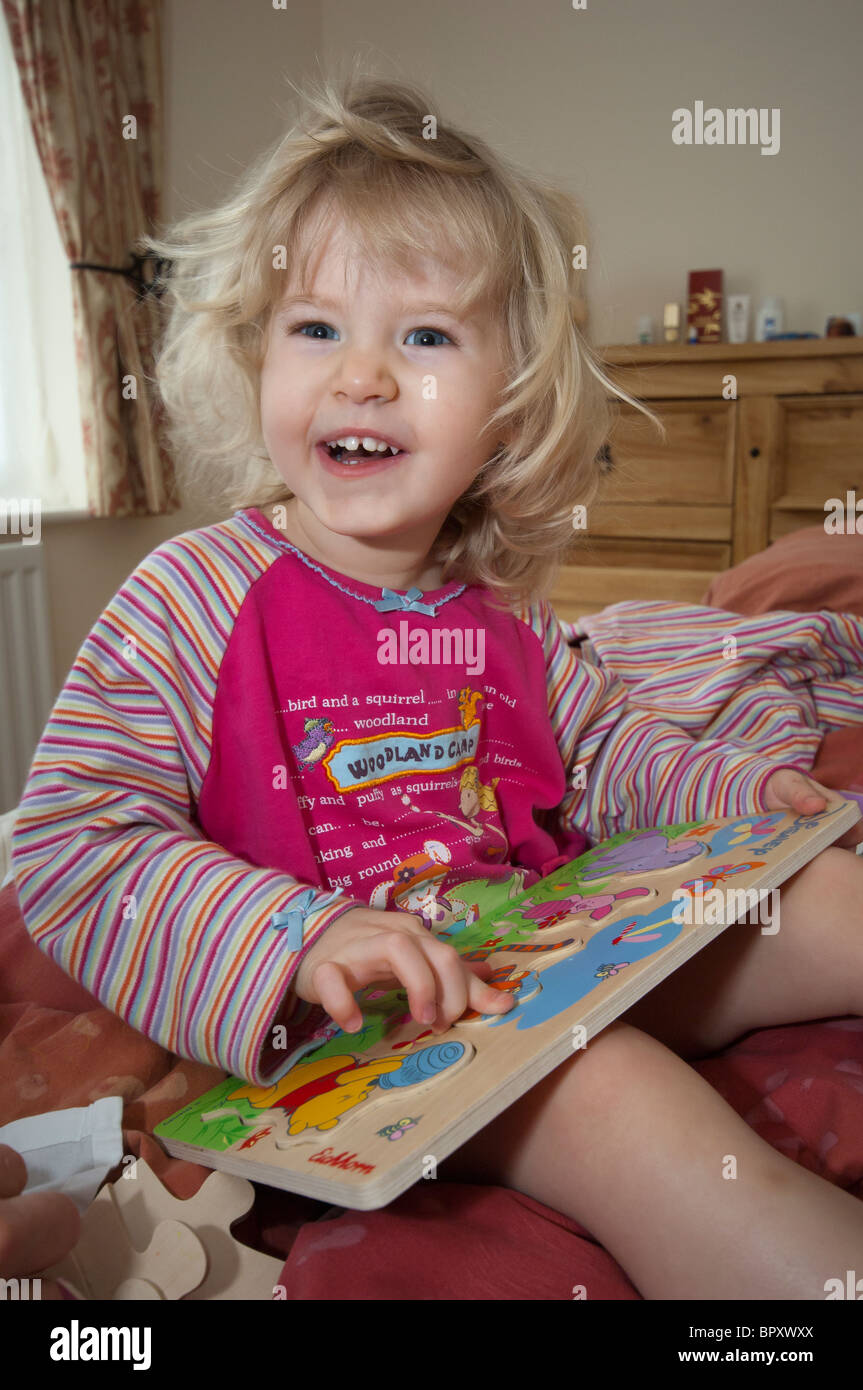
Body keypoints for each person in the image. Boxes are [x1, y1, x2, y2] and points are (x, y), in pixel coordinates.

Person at [11, 67, 863, 1300]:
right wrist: (297, 934)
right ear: (254, 356)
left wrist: (743, 789)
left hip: (540, 950)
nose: (359, 374)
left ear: (507, 409)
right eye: (315, 328)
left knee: (823, 897)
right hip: (354, 1046)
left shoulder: (496, 608)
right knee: (617, 1094)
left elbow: (609, 749)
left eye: (421, 335)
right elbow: (70, 845)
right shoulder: (191, 597)